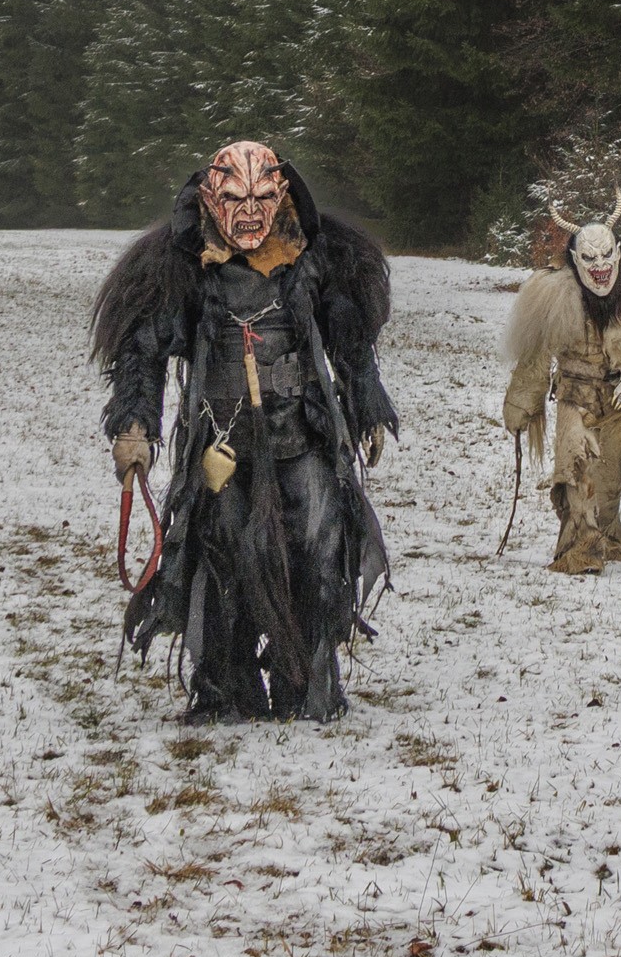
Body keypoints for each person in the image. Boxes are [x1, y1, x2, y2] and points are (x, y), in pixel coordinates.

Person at [93, 141, 396, 720]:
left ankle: (306, 683)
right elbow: (143, 349)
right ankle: (226, 688)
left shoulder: (312, 256)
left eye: (262, 198)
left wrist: (367, 407)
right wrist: (134, 424)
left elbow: (350, 342)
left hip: (301, 435)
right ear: (213, 199)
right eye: (236, 199)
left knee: (318, 548)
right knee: (223, 556)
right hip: (221, 442)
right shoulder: (182, 264)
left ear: (281, 195)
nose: (251, 213)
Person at [501, 194, 621, 573]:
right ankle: (579, 550)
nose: (600, 267)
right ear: (575, 259)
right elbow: (536, 353)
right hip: (576, 394)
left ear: (619, 252)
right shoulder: (554, 294)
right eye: (589, 258)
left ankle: (610, 540)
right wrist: (522, 403)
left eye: (606, 256)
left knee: (608, 479)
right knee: (575, 470)